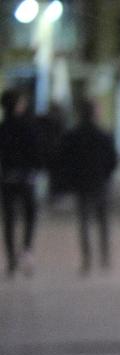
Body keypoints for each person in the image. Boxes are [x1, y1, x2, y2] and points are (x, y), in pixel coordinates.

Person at [57, 99, 119, 274]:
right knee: (102, 222)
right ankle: (104, 256)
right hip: (100, 183)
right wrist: (106, 175)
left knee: (84, 222)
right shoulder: (104, 134)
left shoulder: (73, 135)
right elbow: (113, 161)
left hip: (81, 184)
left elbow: (63, 159)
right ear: (95, 113)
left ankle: (87, 259)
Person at [0, 89, 41, 278]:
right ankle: (26, 249)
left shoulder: (3, 128)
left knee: (9, 220)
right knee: (30, 214)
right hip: (25, 179)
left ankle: (11, 259)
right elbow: (36, 153)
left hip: (7, 179)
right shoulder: (28, 127)